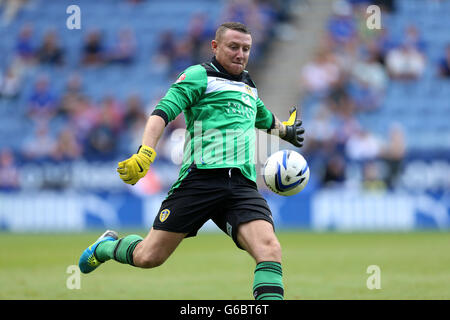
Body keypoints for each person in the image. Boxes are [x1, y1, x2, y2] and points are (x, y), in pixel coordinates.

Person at [78, 22, 305, 300]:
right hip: (200, 180)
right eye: (233, 47)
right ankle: (106, 247)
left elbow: (263, 117)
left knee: (269, 249)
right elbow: (162, 112)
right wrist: (145, 152)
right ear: (215, 46)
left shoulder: (248, 85)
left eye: (246, 49)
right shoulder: (199, 76)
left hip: (242, 187)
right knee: (149, 257)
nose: (240, 54)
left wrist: (285, 130)